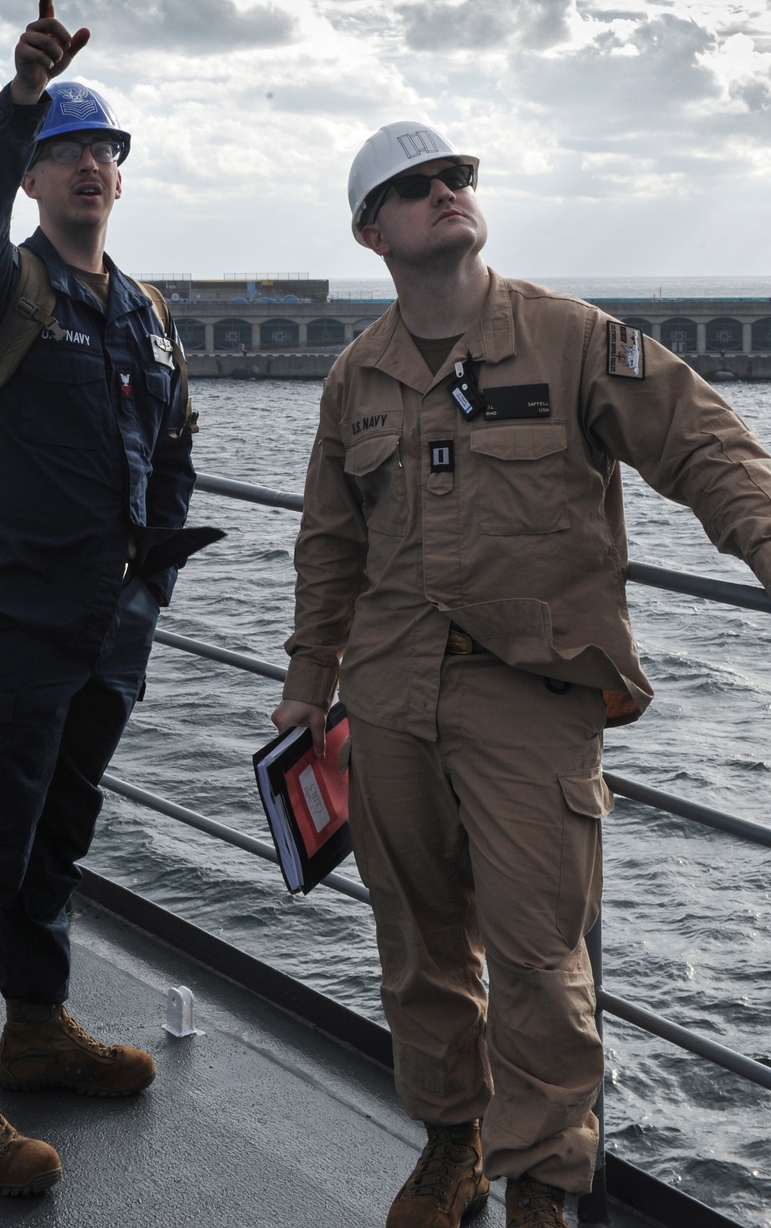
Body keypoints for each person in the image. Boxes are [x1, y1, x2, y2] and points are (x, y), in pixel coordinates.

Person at [271, 121, 771, 1228]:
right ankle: (453, 1142)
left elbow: (704, 447)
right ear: (372, 233)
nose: (446, 190)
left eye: (456, 176)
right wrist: (309, 681)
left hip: (530, 691)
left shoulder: (571, 339)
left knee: (542, 962)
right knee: (416, 943)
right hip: (390, 698)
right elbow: (328, 544)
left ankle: (541, 1188)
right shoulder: (356, 377)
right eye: (416, 186)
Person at [0, 0, 197, 1198]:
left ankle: (36, 1027)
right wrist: (16, 100)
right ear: (31, 174)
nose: (87, 167)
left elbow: (172, 457)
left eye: (103, 151)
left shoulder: (143, 313)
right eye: (64, 150)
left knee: (52, 844)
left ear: (121, 178)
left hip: (103, 634)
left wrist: (148, 595)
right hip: (4, 626)